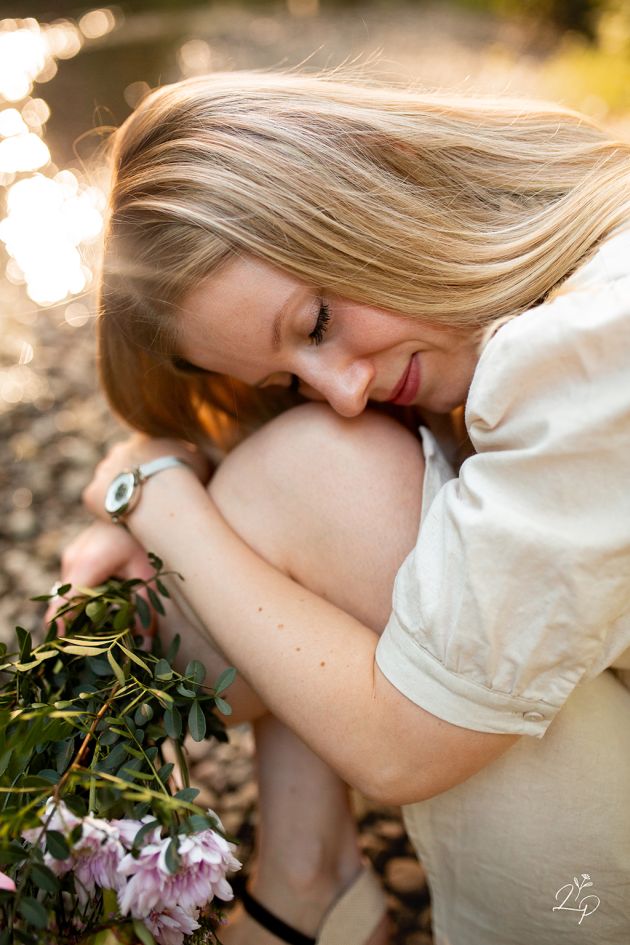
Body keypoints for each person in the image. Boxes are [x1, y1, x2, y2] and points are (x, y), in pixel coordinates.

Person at [52, 70, 630, 945]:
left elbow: (403, 746)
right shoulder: (512, 307)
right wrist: (179, 471)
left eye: (316, 322)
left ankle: (306, 884)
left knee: (313, 473)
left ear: (373, 183)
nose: (343, 391)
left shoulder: (592, 344)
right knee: (303, 473)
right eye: (287, 377)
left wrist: (156, 501)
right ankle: (306, 872)